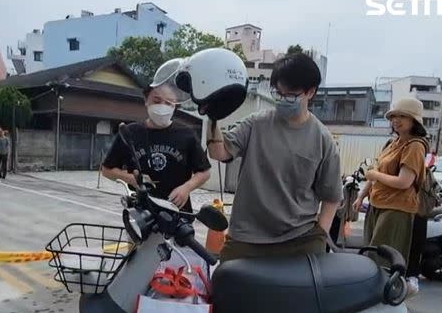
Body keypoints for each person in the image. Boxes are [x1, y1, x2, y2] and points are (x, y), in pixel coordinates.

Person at [207, 53, 342, 261]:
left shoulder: (323, 140)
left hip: (298, 239)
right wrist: (212, 117)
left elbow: (332, 197)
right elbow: (219, 152)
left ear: (310, 92)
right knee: (224, 286)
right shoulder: (256, 123)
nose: (282, 100)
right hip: (246, 237)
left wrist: (320, 237)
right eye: (278, 93)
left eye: (290, 95)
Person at [353, 97, 428, 296]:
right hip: (378, 204)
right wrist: (362, 195)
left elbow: (404, 181)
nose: (397, 120)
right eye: (394, 116)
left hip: (397, 208)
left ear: (415, 121)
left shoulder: (415, 146)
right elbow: (376, 169)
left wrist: (374, 175)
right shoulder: (392, 143)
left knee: (384, 257)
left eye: (403, 116)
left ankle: (386, 296)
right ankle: (374, 294)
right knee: (372, 252)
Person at [101, 82, 211, 213]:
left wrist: (186, 188)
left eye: (169, 103)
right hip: (140, 213)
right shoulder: (129, 133)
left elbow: (204, 172)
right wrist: (131, 179)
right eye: (157, 100)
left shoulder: (186, 134)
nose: (162, 106)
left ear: (175, 106)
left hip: (178, 211)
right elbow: (106, 170)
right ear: (146, 100)